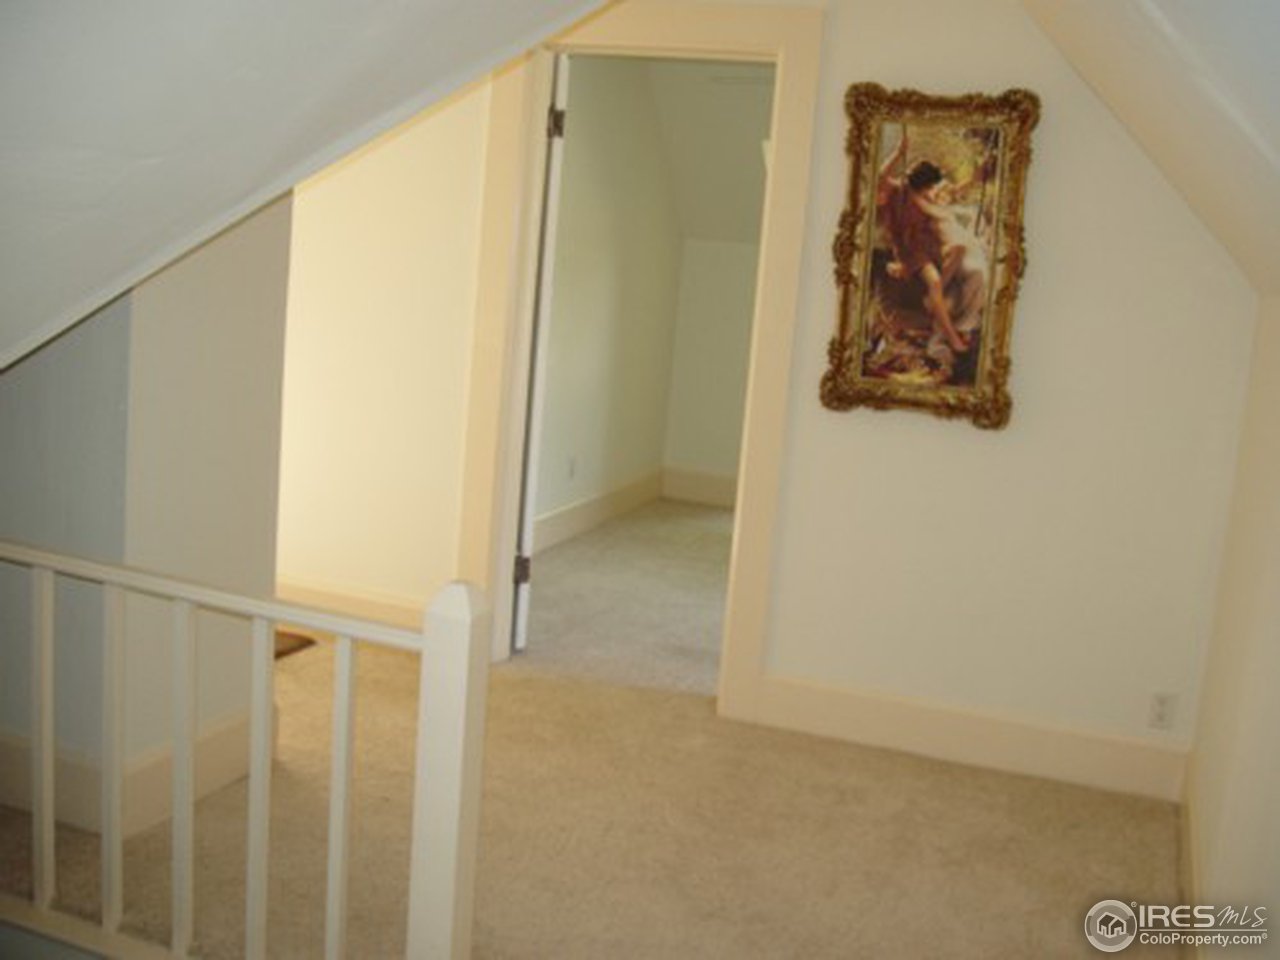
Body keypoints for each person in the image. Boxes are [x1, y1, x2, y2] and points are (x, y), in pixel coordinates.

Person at [875, 131, 988, 358]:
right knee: (935, 282)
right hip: (912, 251)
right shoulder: (899, 190)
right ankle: (953, 338)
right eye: (929, 187)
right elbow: (880, 175)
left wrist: (977, 175)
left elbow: (955, 190)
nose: (931, 191)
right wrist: (898, 152)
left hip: (930, 245)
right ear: (921, 184)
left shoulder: (927, 194)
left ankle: (938, 304)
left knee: (960, 249)